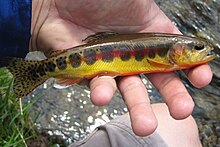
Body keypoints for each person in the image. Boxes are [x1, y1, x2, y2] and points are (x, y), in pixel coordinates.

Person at [0, 0, 211, 146]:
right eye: (197, 48)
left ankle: (38, 70)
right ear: (177, 50)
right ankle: (37, 71)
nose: (205, 51)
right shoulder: (164, 57)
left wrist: (37, 11)